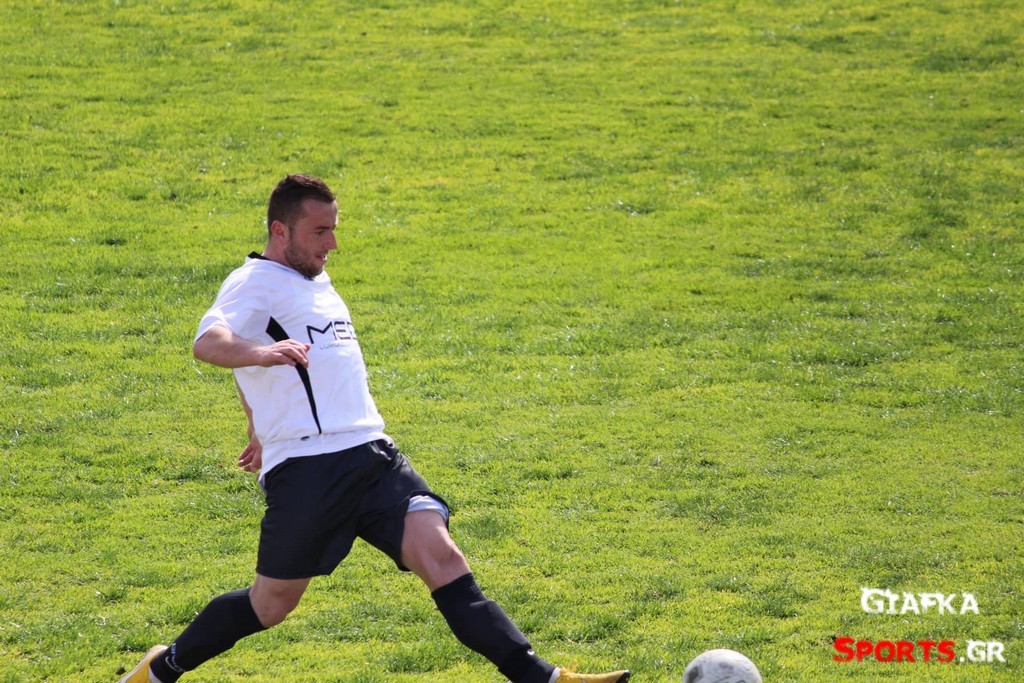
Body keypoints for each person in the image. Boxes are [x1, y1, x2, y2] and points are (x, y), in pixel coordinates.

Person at [119, 174, 630, 683]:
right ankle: (160, 669)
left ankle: (544, 678)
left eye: (334, 229)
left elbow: (283, 369)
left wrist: (257, 424)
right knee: (271, 604)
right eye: (320, 232)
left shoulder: (317, 281)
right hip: (309, 468)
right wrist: (264, 356)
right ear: (280, 230)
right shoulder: (253, 282)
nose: (332, 243)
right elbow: (209, 343)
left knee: (444, 559)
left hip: (372, 453)